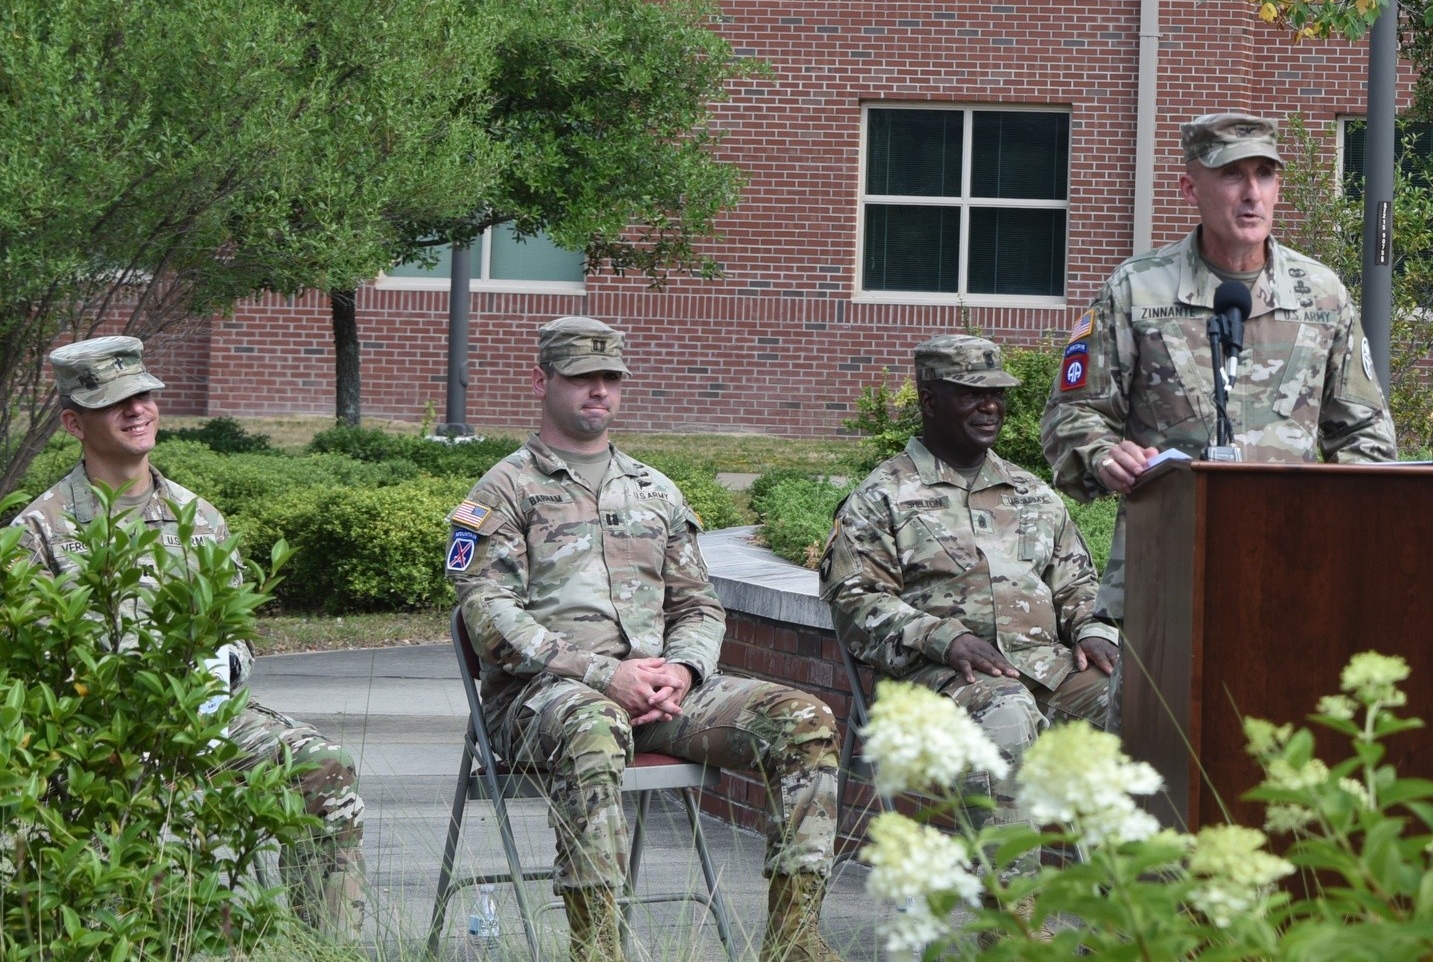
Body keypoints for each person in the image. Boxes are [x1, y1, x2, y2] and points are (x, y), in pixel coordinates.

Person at [448, 316, 842, 962]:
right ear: (542, 379)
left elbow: (698, 605)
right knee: (594, 725)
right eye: (582, 378)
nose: (598, 391)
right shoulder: (503, 491)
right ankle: (598, 950)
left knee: (804, 721)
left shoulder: (654, 490)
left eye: (610, 378)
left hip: (661, 696)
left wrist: (682, 672)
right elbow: (490, 619)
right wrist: (605, 677)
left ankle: (793, 944)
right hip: (542, 702)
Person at [11, 336, 366, 937]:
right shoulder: (40, 530)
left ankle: (323, 946)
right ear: (74, 422)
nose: (138, 409)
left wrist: (217, 680)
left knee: (322, 766)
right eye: (116, 402)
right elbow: (41, 669)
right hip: (101, 736)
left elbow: (236, 634)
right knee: (139, 833)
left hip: (206, 719)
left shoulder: (199, 517)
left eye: (145, 395)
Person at [1040, 111, 1398, 628]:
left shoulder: (1321, 295)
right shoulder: (1137, 290)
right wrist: (1101, 456)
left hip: (1295, 568)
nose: (1252, 193)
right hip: (1165, 570)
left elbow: (1365, 432)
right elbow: (1070, 417)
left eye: (1265, 174)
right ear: (1191, 188)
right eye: (1232, 174)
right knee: (1159, 712)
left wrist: (1345, 525)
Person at [819, 335, 1119, 832]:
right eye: (970, 394)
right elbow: (855, 602)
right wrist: (945, 637)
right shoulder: (882, 497)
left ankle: (1151, 895)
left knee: (1146, 705)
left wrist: (1093, 629)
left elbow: (1078, 584)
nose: (990, 407)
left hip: (1047, 669)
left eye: (997, 394)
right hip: (936, 680)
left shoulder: (1032, 493)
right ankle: (1014, 907)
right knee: (1007, 714)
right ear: (930, 401)